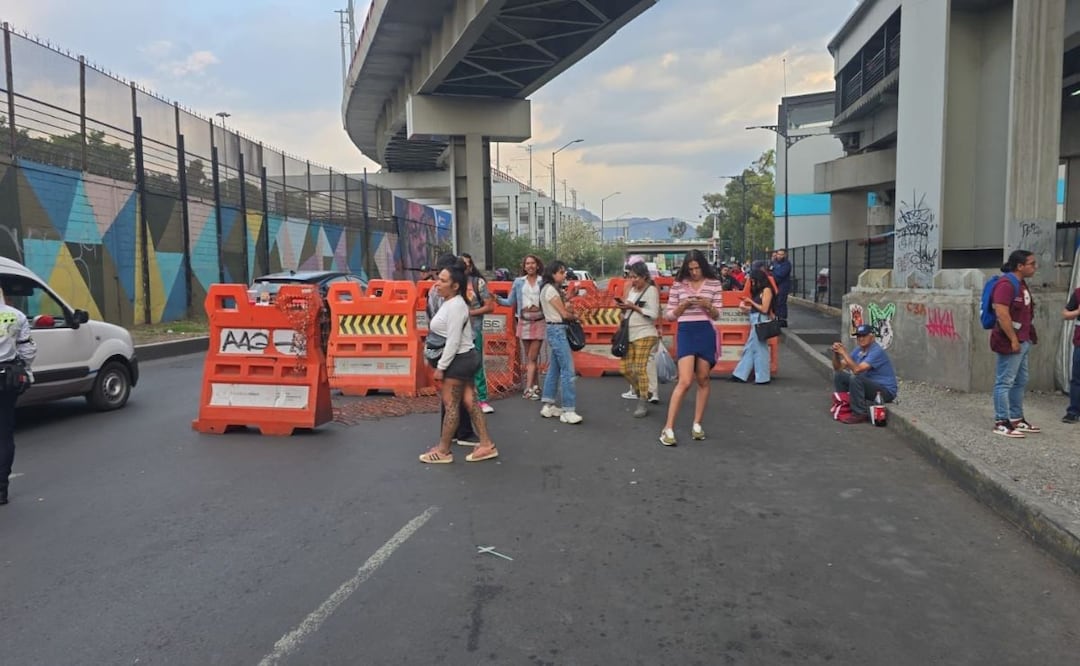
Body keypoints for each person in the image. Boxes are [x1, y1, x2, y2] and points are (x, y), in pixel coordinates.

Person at [419, 262, 498, 464]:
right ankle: (486, 444)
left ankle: (443, 451)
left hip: (458, 361)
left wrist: (441, 368)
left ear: (455, 286)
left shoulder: (455, 306)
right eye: (438, 278)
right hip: (465, 358)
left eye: (443, 281)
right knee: (470, 401)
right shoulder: (452, 302)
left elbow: (453, 341)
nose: (437, 283)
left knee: (451, 405)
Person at [659, 250, 723, 446]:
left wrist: (707, 305)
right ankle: (668, 428)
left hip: (705, 331)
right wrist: (683, 306)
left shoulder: (714, 284)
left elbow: (718, 314)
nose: (694, 272)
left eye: (697, 268)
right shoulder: (679, 284)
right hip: (686, 331)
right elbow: (669, 315)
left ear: (703, 266)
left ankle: (697, 424)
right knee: (685, 380)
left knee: (703, 378)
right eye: (691, 269)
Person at [426, 254, 480, 447]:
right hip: (455, 352)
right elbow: (453, 336)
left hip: (447, 349)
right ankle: (457, 437)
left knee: (456, 398)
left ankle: (450, 439)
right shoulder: (450, 298)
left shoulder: (443, 296)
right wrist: (441, 366)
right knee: (458, 399)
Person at [988, 250, 1040, 437]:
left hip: (1023, 339)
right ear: (1020, 266)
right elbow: (1002, 314)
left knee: (1020, 380)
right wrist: (1013, 339)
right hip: (1010, 341)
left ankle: (1016, 418)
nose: (1035, 268)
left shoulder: (1021, 284)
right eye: (1031, 264)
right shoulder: (1006, 285)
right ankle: (1001, 421)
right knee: (1004, 381)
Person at [0, 290, 36, 505]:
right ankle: (1, 489)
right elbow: (28, 349)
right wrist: (26, 369)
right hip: (7, 378)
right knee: (4, 433)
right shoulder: (16, 315)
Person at [538, 260, 583, 424]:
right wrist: (576, 317)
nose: (564, 275)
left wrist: (569, 297)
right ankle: (568, 410)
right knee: (568, 370)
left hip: (554, 329)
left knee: (555, 369)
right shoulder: (551, 290)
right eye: (561, 272)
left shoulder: (548, 289)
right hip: (557, 330)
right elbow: (564, 314)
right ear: (552, 273)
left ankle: (548, 404)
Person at [497, 254, 545, 400]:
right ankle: (536, 386)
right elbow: (510, 302)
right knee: (530, 357)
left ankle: (528, 389)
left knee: (532, 357)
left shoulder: (543, 281)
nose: (530, 266)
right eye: (527, 263)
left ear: (537, 265)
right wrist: (495, 299)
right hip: (523, 321)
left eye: (533, 263)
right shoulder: (518, 282)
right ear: (524, 267)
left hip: (539, 321)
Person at [830, 323, 898, 424]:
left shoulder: (877, 351)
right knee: (839, 375)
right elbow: (838, 367)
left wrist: (844, 353)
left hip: (885, 392)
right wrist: (836, 354)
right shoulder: (859, 350)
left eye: (864, 336)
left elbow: (857, 370)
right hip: (870, 386)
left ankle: (859, 413)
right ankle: (845, 404)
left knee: (856, 378)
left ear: (872, 337)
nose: (861, 339)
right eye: (858, 336)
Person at [617, 261, 660, 417]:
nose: (633, 280)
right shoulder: (631, 291)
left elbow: (653, 314)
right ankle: (642, 391)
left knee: (640, 367)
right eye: (631, 277)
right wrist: (623, 310)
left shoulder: (651, 290)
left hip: (645, 333)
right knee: (625, 369)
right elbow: (627, 313)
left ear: (644, 277)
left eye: (636, 277)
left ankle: (642, 402)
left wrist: (633, 307)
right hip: (629, 333)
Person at [461, 253, 496, 414]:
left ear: (471, 266)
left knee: (477, 365)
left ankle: (482, 399)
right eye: (461, 264)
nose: (464, 268)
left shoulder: (477, 283)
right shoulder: (452, 283)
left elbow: (490, 306)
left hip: (474, 330)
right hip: (456, 332)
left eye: (467, 264)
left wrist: (470, 313)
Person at [731, 269, 774, 385]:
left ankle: (761, 377)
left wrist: (751, 302)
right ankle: (740, 374)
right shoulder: (763, 290)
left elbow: (764, 309)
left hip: (760, 320)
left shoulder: (767, 290)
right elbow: (759, 309)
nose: (753, 284)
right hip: (757, 319)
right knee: (752, 347)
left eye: (754, 281)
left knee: (759, 349)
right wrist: (747, 308)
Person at [1063, 284, 1080, 424]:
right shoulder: (1078, 293)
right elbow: (1066, 314)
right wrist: (1077, 312)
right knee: (1077, 378)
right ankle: (1073, 411)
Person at [770, 249, 792, 327]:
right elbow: (769, 271)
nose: (779, 256)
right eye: (778, 254)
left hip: (783, 286)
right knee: (775, 302)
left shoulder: (787, 264)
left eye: (781, 254)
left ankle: (782, 319)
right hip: (774, 285)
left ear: (785, 255)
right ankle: (776, 318)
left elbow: (780, 274)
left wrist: (773, 272)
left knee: (781, 302)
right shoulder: (774, 262)